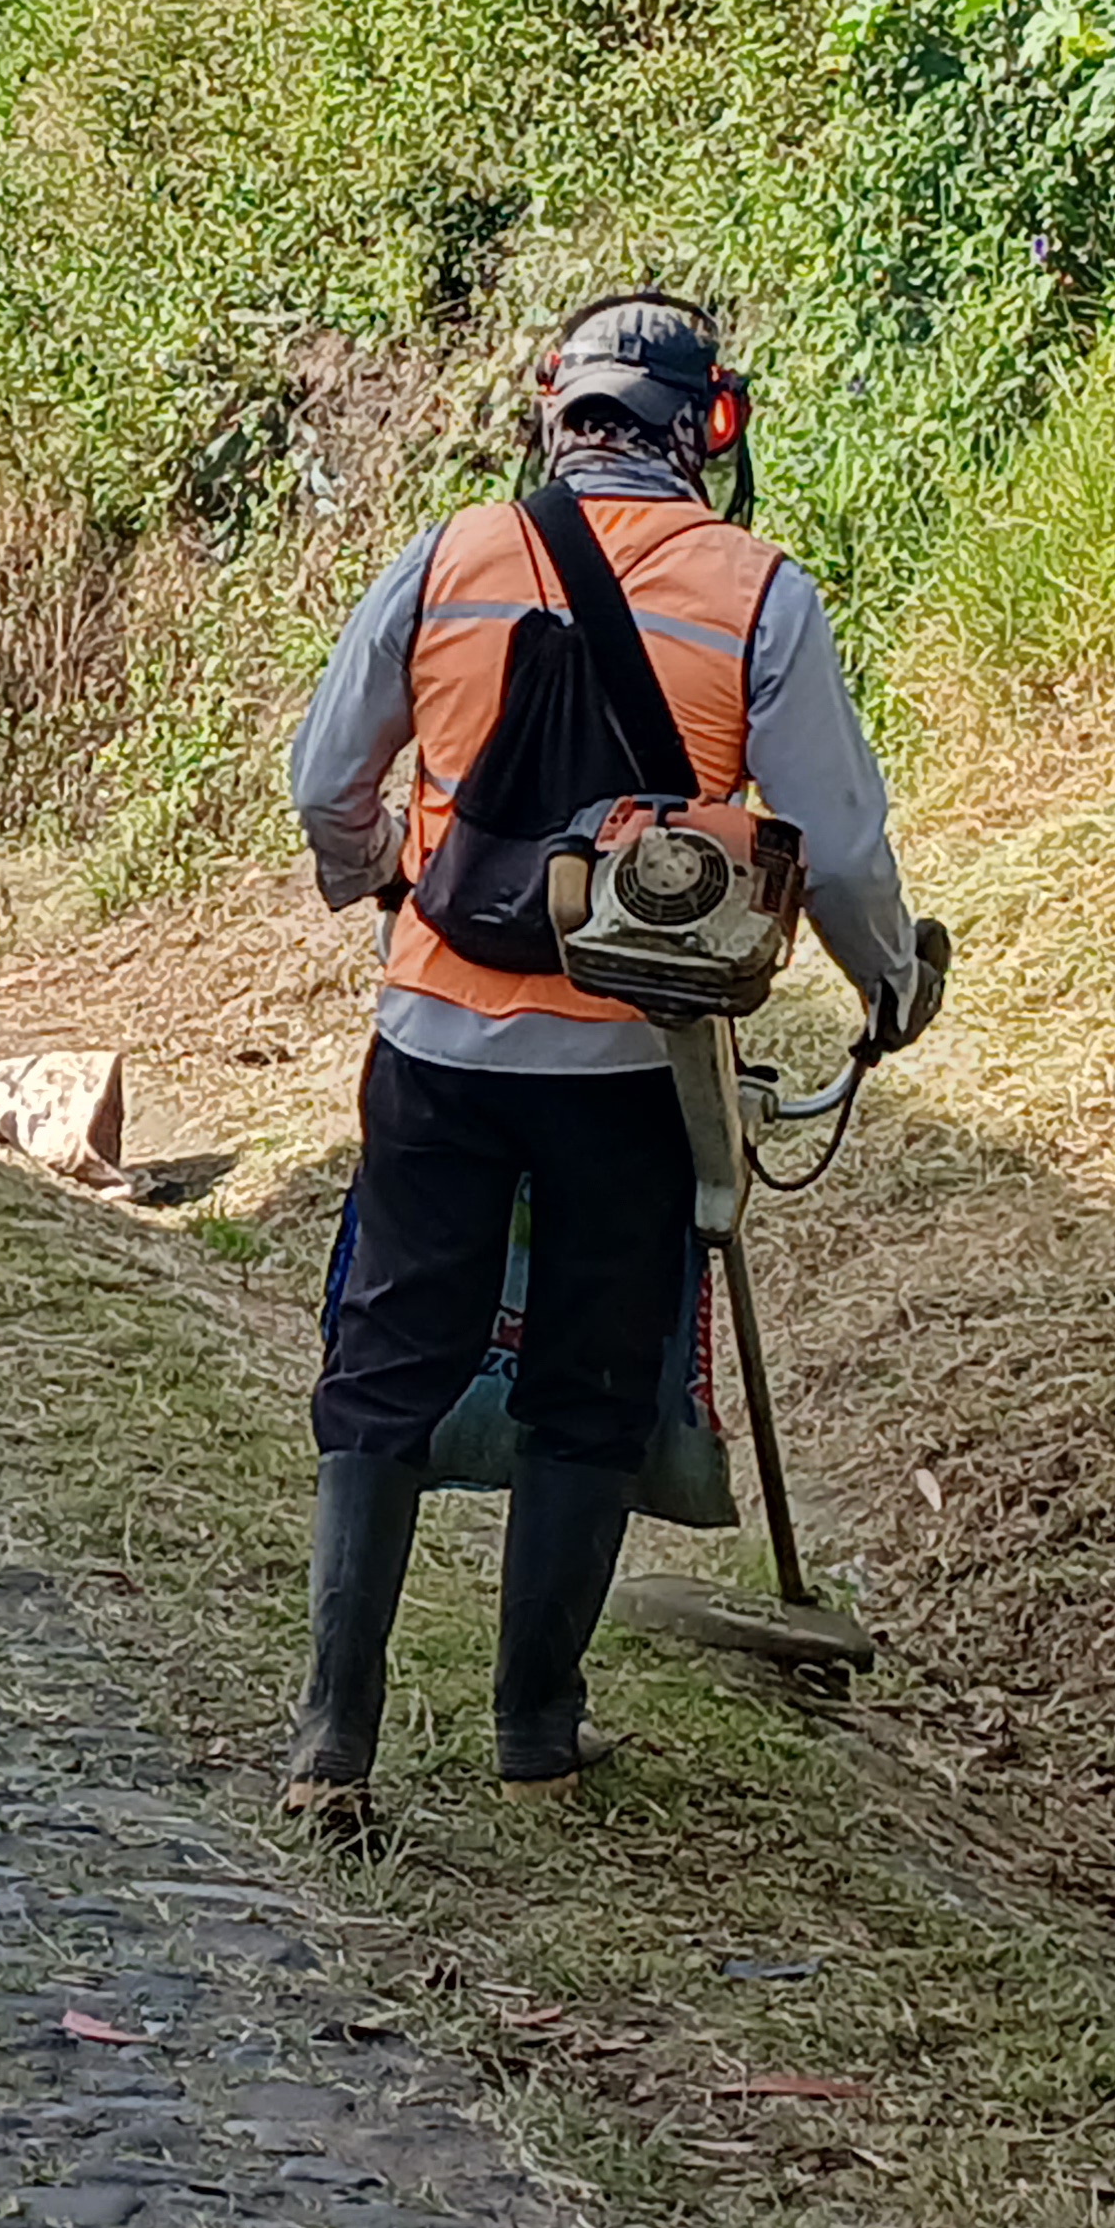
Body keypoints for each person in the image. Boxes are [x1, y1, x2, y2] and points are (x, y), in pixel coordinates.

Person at [280, 292, 935, 1810]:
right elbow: (838, 850)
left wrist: (384, 875)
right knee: (588, 1382)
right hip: (634, 1062)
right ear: (710, 426)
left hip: (434, 1043)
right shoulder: (758, 591)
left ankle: (332, 1741)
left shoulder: (450, 556)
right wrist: (888, 984)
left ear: (554, 414)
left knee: (387, 1363)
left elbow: (325, 779)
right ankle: (535, 1731)